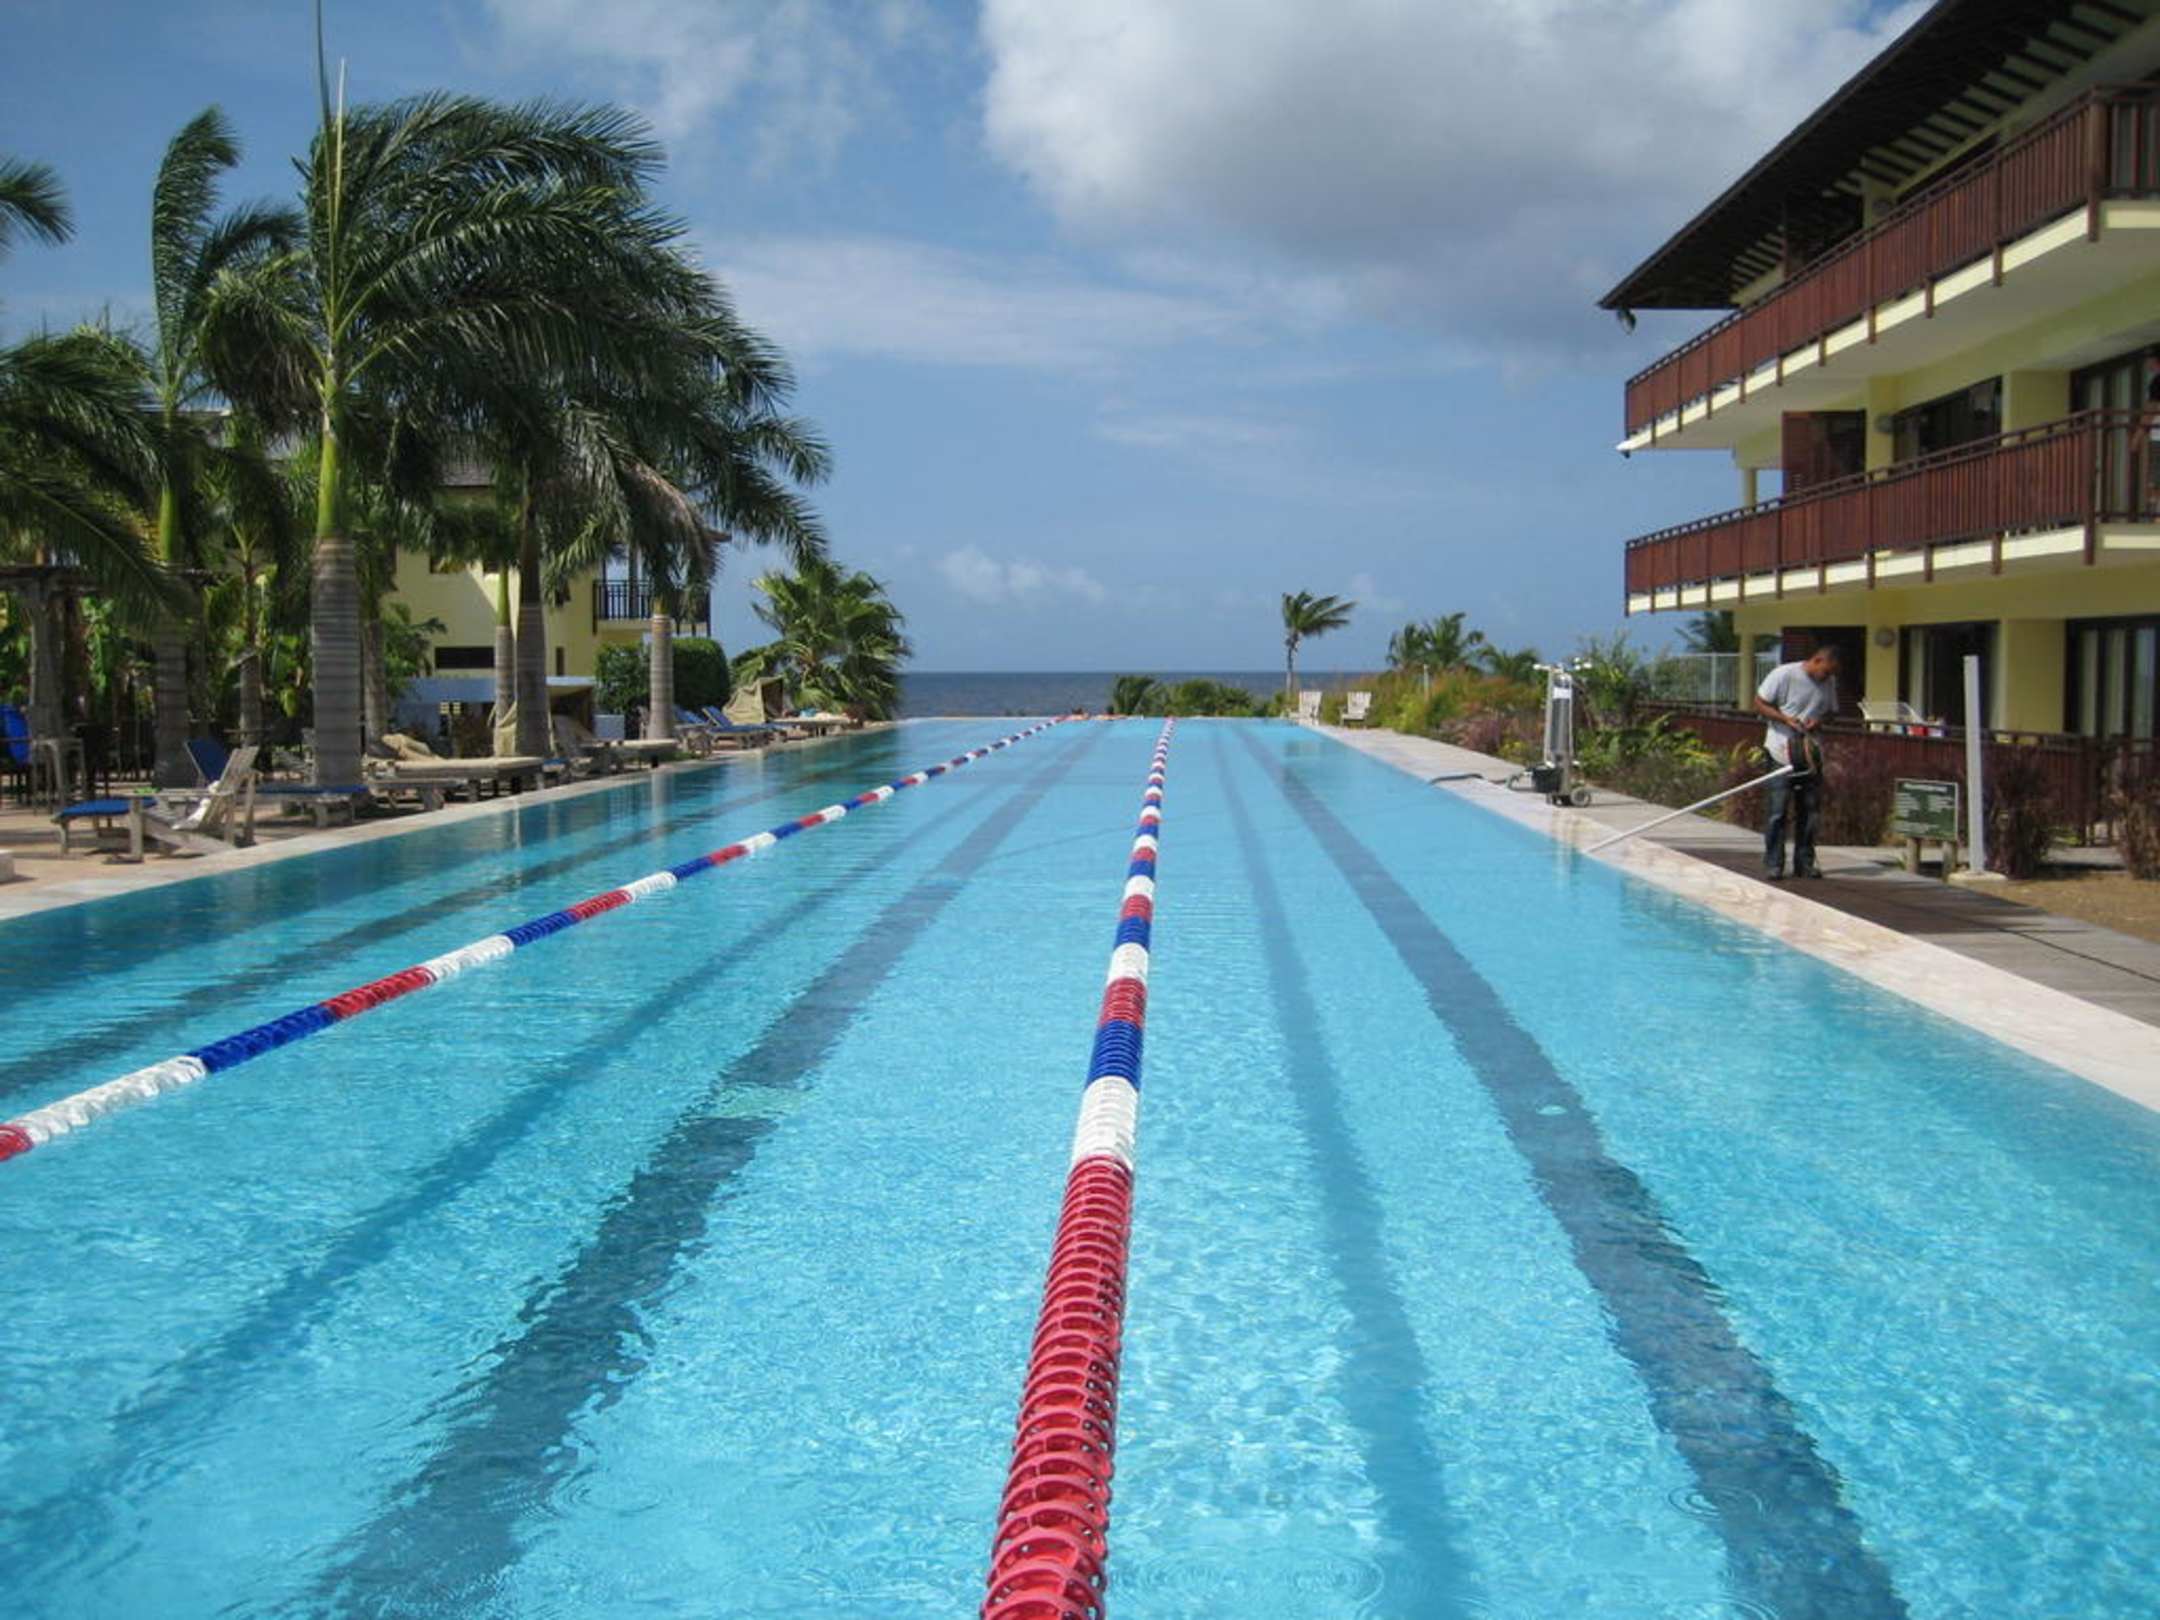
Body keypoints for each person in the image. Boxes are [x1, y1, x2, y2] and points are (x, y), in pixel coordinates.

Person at [1753, 644, 1840, 880]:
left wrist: (1818, 721)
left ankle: (1804, 863)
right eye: (1826, 671)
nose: (1827, 677)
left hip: (1810, 754)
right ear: (1817, 660)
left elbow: (1832, 712)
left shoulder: (1829, 682)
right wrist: (1784, 718)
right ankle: (1774, 863)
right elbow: (1759, 702)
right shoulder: (1784, 674)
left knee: (1810, 811)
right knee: (1778, 810)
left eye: (1832, 674)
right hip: (1781, 752)